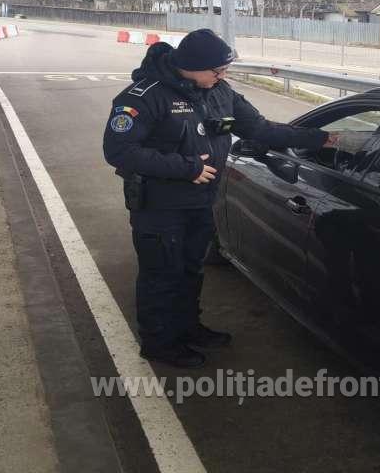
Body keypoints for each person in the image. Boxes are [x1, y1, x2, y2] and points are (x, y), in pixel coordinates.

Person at [103, 28, 336, 368]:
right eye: (218, 70)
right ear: (192, 65)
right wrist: (187, 168)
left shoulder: (219, 92)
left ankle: (188, 327)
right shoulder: (144, 96)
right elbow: (119, 151)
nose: (223, 76)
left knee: (191, 270)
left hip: (200, 201)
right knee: (162, 275)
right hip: (159, 205)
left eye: (225, 70)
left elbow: (260, 129)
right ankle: (160, 343)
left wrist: (322, 138)